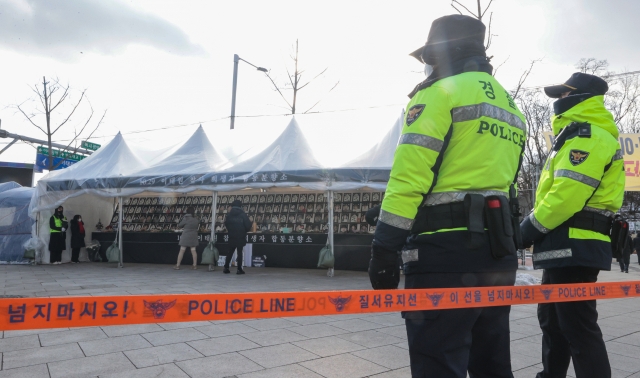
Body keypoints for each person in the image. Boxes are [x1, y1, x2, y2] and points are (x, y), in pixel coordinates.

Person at [369, 15, 525, 378]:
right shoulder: (510, 106)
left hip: (444, 256)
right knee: (492, 364)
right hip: (498, 254)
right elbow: (486, 179)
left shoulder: (438, 94)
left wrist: (384, 246)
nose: (427, 67)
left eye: (429, 58)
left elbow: (410, 177)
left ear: (447, 53)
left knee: (438, 362)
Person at [520, 72, 624, 378]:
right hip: (564, 244)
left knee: (577, 325)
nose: (559, 101)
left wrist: (525, 231)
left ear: (580, 97)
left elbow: (566, 197)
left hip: (575, 244)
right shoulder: (574, 134)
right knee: (552, 320)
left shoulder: (588, 137)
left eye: (564, 95)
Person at [224, 199, 251, 274]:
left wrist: (231, 230)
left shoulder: (229, 215)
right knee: (240, 252)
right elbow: (248, 225)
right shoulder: (243, 214)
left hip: (231, 235)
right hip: (240, 235)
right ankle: (239, 269)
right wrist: (244, 230)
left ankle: (226, 267)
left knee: (230, 252)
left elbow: (226, 224)